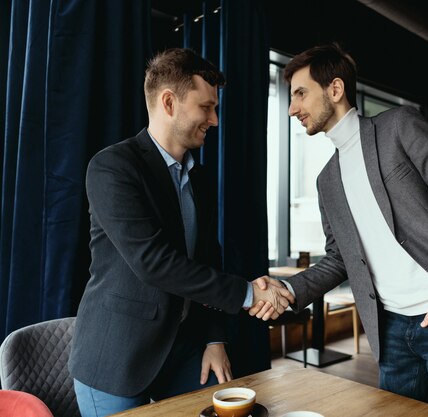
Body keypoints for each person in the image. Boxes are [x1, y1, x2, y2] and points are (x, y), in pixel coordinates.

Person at [250, 43, 428, 417]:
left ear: (336, 89)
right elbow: (339, 260)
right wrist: (289, 289)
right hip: (389, 328)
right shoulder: (326, 180)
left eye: (300, 93)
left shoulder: (399, 127)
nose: (292, 108)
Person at [68, 48, 293, 417]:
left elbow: (209, 260)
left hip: (185, 348)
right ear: (169, 102)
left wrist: (215, 337)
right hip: (116, 358)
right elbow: (153, 263)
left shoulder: (199, 178)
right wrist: (248, 294)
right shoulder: (112, 167)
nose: (215, 119)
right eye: (206, 107)